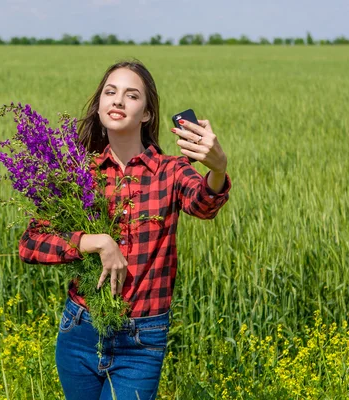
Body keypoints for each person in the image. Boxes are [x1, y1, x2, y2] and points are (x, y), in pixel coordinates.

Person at [19, 59, 231, 400]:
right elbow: (30, 243)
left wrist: (217, 169)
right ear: (100, 105)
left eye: (131, 96)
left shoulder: (171, 171)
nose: (118, 100)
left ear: (146, 113)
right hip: (80, 332)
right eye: (110, 92)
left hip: (141, 339)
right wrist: (95, 242)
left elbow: (204, 204)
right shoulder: (78, 174)